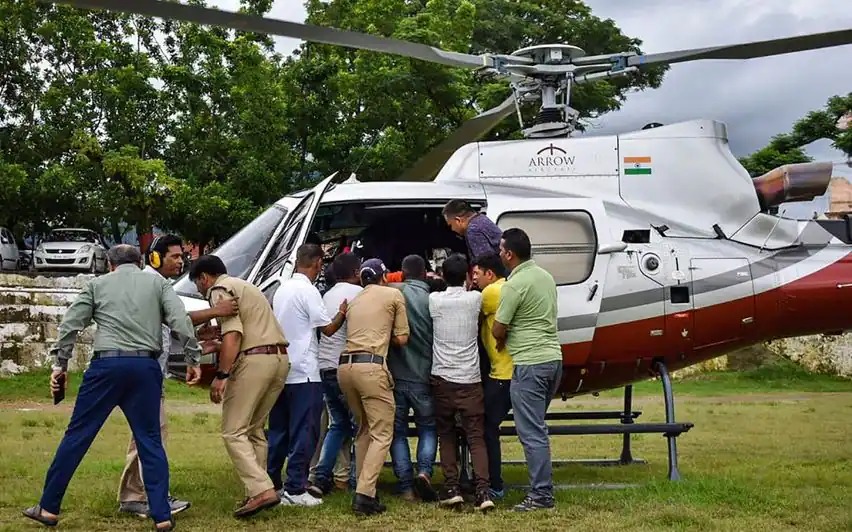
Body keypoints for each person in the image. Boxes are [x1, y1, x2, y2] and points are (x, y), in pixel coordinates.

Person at [22, 245, 202, 531]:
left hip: (106, 366)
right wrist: (193, 358)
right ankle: (162, 515)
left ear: (110, 264)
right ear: (140, 262)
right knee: (150, 441)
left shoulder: (97, 285)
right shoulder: (158, 284)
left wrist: (60, 365)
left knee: (77, 436)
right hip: (146, 367)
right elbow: (180, 320)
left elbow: (70, 325)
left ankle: (48, 508)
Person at [118, 234, 239, 519]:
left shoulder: (157, 284)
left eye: (181, 256)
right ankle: (150, 497)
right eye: (174, 256)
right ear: (155, 258)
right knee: (152, 436)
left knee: (145, 436)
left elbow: (166, 329)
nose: (180, 261)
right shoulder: (152, 283)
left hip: (148, 372)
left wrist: (198, 338)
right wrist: (216, 310)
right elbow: (174, 318)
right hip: (145, 374)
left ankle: (133, 495)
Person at [189, 255, 289, 519]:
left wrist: (222, 374)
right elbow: (248, 333)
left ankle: (262, 490)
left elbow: (234, 335)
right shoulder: (246, 286)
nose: (200, 292)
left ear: (204, 278)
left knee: (233, 431)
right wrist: (218, 344)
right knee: (254, 429)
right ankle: (256, 490)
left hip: (253, 363)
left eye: (198, 285)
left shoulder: (220, 289)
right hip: (278, 359)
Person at [267, 244, 347, 507]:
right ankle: (295, 488)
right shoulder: (308, 291)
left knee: (279, 430)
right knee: (305, 431)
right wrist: (342, 312)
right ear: (318, 263)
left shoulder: (282, 289)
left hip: (282, 369)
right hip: (305, 372)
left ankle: (273, 484)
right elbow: (328, 329)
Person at [492, 228, 563, 512]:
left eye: (501, 250)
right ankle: (541, 490)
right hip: (553, 360)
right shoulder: (546, 277)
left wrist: (500, 339)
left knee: (532, 432)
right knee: (537, 428)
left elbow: (499, 327)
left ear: (509, 254)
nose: (499, 254)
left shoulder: (514, 284)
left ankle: (541, 495)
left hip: (529, 364)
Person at [338, 258, 409, 516]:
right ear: (385, 276)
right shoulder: (393, 295)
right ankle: (365, 495)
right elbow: (402, 338)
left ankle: (365, 488)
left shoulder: (355, 300)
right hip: (371, 367)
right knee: (382, 433)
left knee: (364, 430)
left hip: (345, 368)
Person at [428, 253, 493, 511]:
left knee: (446, 434)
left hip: (442, 377)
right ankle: (483, 491)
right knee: (476, 435)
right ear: (467, 276)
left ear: (443, 276)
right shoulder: (474, 299)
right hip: (470, 379)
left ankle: (452, 488)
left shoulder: (434, 300)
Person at [308, 252, 363, 497]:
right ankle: (356, 480)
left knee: (337, 424)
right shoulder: (359, 294)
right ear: (356, 272)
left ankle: (321, 477)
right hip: (346, 367)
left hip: (325, 367)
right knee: (361, 425)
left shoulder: (326, 295)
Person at [387, 254, 438, 502]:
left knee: (397, 432)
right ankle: (424, 472)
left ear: (403, 272)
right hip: (423, 375)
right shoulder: (433, 299)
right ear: (424, 273)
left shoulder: (394, 294)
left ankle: (406, 485)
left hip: (396, 375)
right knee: (427, 427)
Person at [471, 252, 513, 500]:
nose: (474, 279)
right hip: (514, 370)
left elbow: (469, 316)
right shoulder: (508, 288)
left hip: (502, 374)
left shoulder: (491, 293)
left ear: (490, 273)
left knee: (486, 428)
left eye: (477, 274)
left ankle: (494, 485)